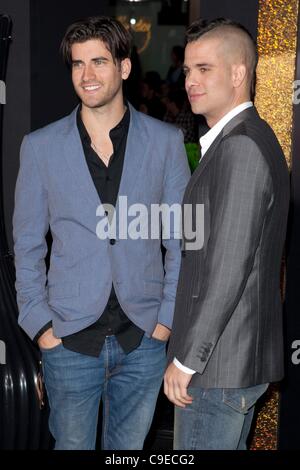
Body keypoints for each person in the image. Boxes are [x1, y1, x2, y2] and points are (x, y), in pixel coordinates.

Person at [13, 16, 190, 450]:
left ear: (124, 68)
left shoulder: (165, 142)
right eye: (77, 65)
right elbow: (27, 246)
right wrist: (42, 328)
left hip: (143, 340)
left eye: (98, 62)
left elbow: (182, 241)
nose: (86, 76)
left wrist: (166, 322)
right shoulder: (40, 147)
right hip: (69, 341)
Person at [164, 18, 290, 450]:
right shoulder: (243, 138)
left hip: (216, 368)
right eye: (187, 71)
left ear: (238, 74)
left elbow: (228, 268)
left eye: (204, 69)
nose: (191, 82)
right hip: (229, 363)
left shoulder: (240, 146)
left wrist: (186, 359)